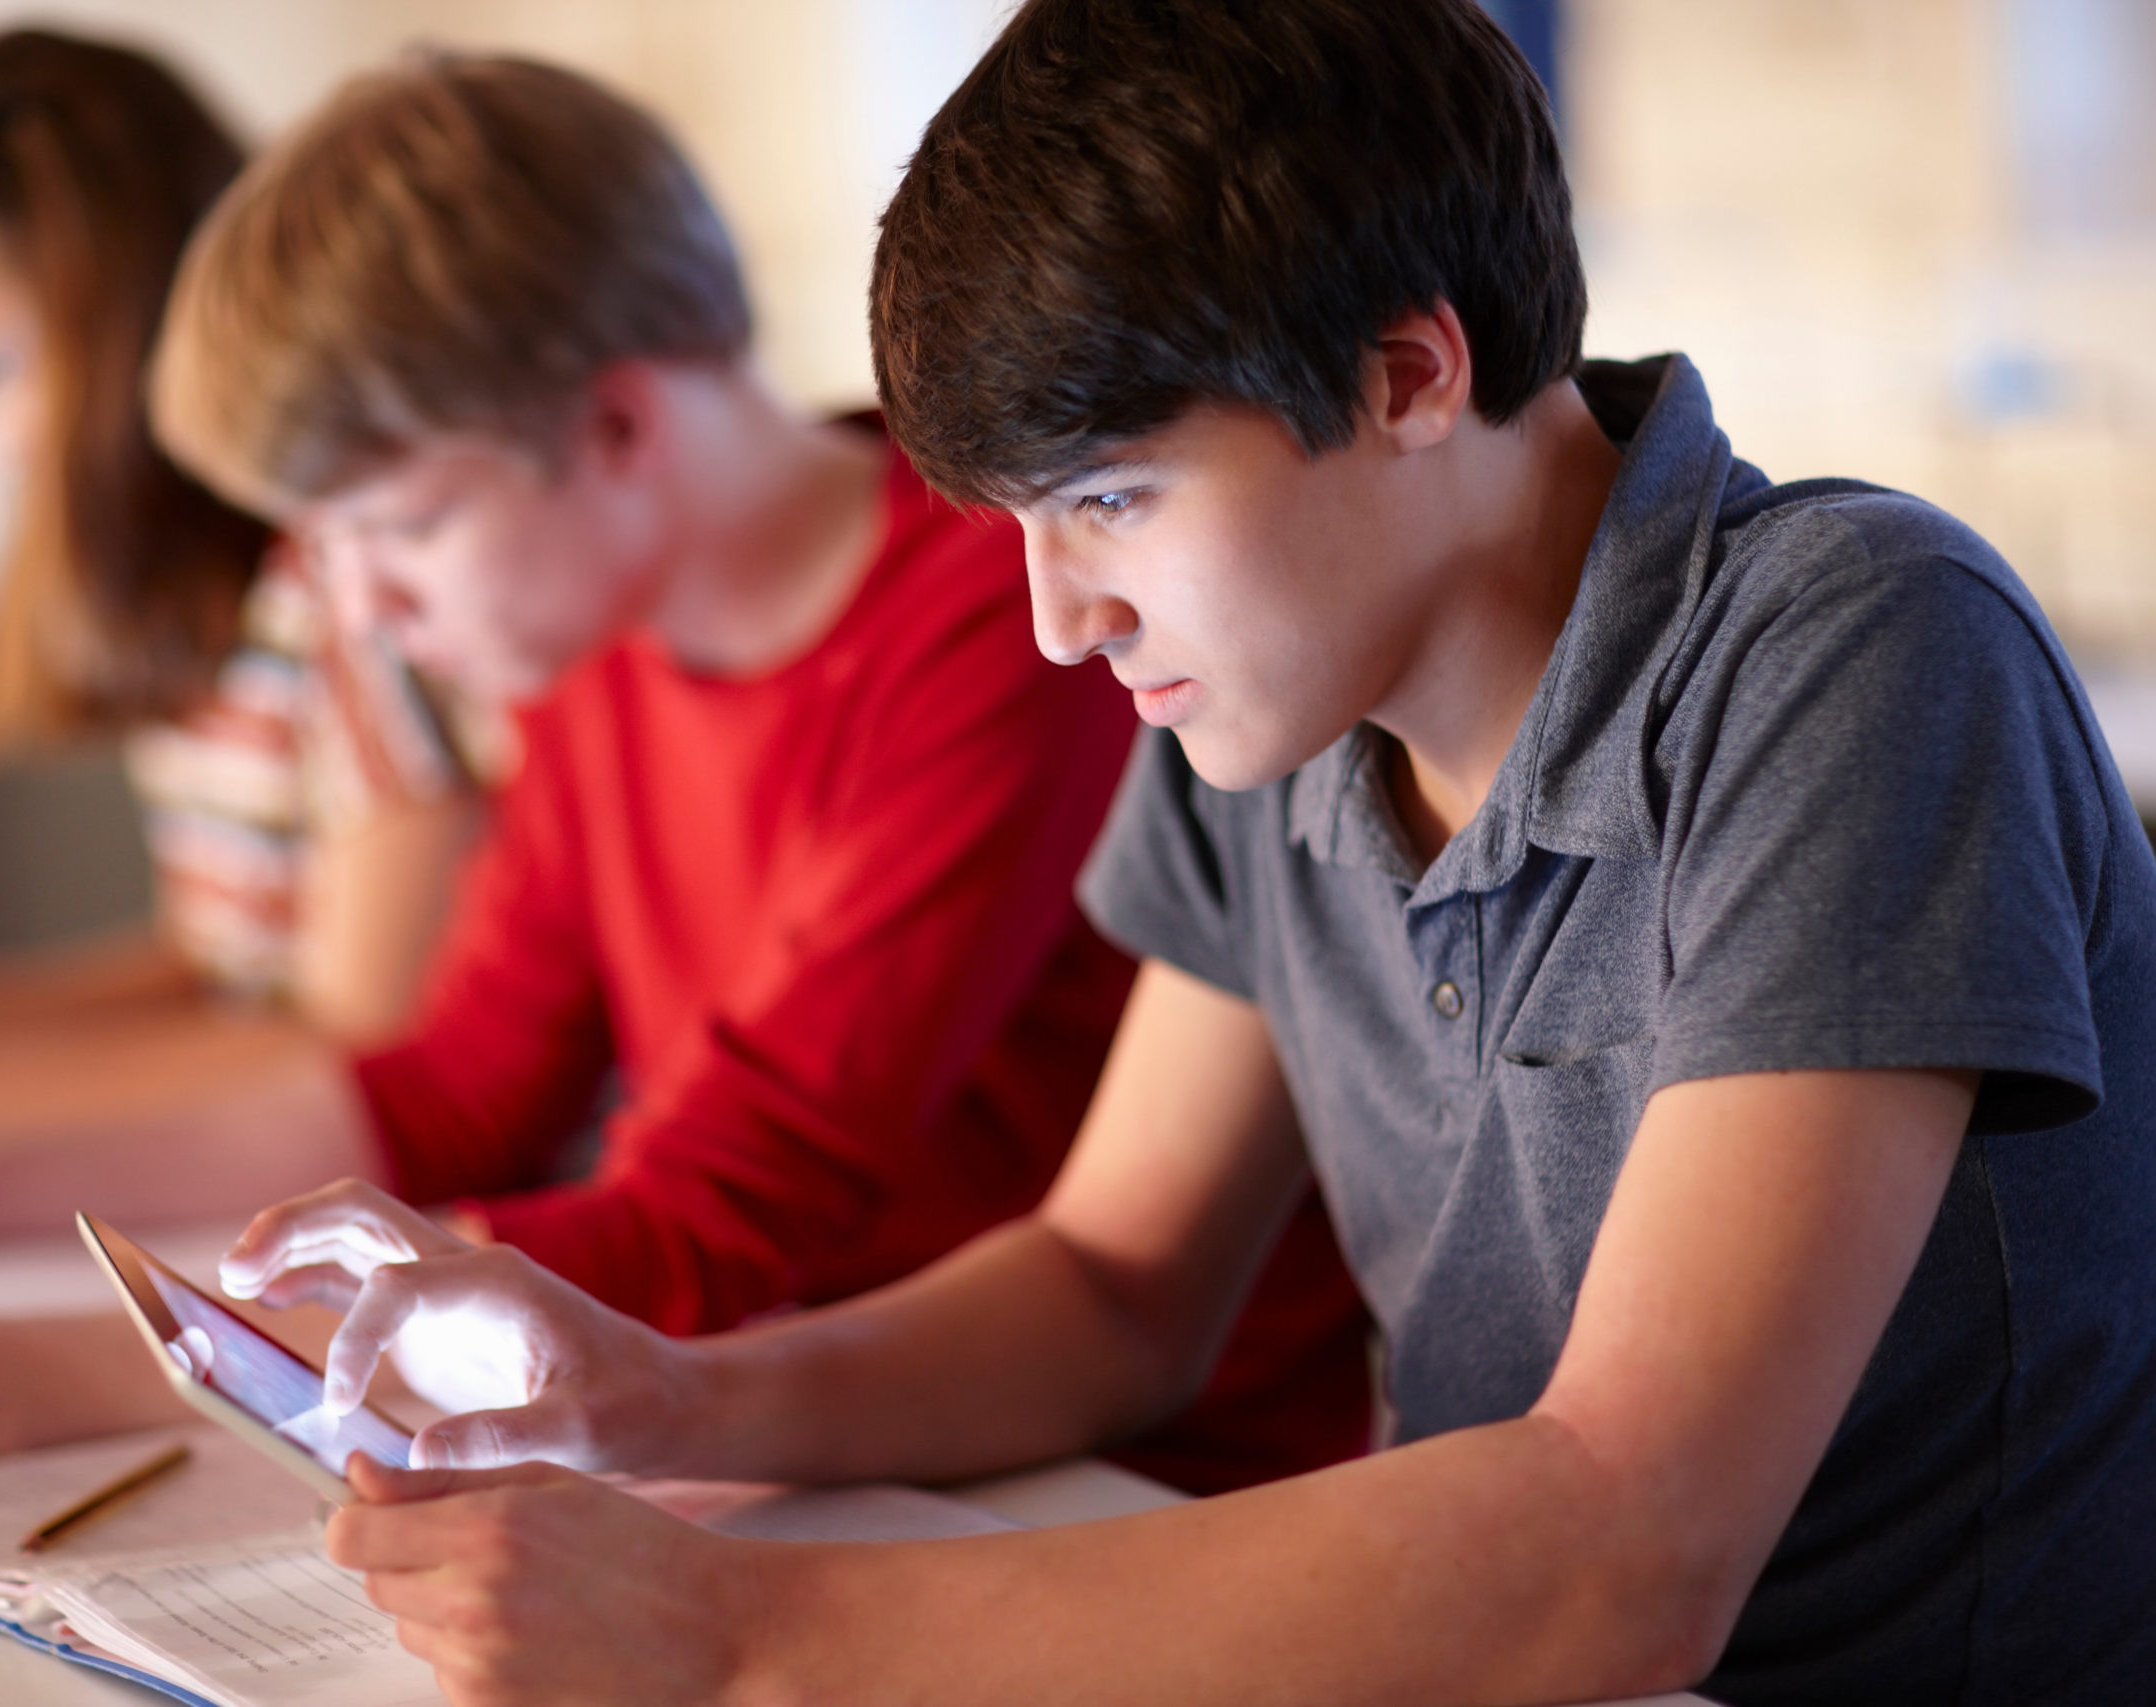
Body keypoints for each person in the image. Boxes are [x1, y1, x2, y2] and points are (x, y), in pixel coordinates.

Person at [199, 3, 2156, 1704]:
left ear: (1406, 377)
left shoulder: (1852, 645)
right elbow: (1111, 1286)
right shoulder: (1287, 713)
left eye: (1111, 502)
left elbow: (1622, 1534)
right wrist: (655, 1394)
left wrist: (735, 1634)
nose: (1059, 620)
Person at [0, 50, 1371, 1498]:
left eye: (399, 529)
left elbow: (724, 1202)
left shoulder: (988, 615)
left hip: (1109, 1475)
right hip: (807, 1442)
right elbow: (452, 1089)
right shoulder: (597, 642)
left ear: (619, 428)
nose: (368, 609)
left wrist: (6, 1382)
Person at [0, 28, 490, 1174]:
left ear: (116, 319)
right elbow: (218, 962)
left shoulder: (358, 582)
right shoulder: (206, 614)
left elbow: (356, 1029)